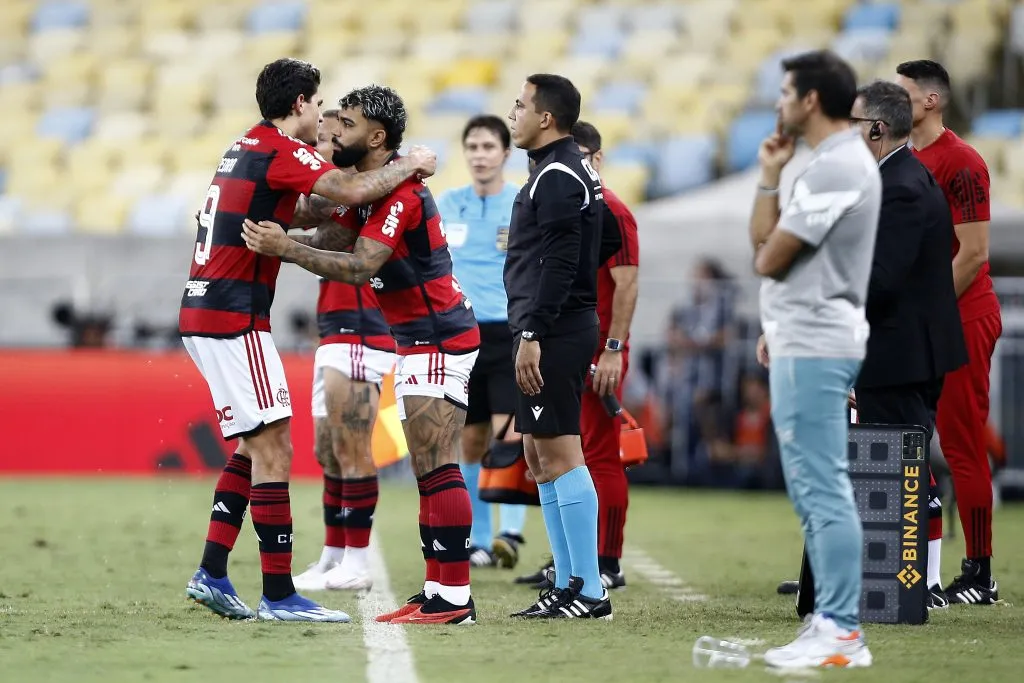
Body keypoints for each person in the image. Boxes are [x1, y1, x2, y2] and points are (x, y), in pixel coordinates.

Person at [179, 59, 435, 623]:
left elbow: (316, 211)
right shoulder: (280, 146)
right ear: (299, 103)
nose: (322, 115)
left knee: (254, 444)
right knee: (277, 447)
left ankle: (213, 571)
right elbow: (351, 187)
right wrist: (410, 165)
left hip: (205, 308)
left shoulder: (245, 145)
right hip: (232, 315)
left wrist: (313, 223)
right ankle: (278, 594)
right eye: (319, 104)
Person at [240, 84, 481, 626]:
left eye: (344, 124)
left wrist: (286, 249)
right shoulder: (375, 193)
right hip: (420, 339)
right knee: (428, 468)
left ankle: (455, 597)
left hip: (440, 338)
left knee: (438, 467)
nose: (334, 131)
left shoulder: (403, 196)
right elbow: (333, 233)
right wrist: (293, 227)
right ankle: (439, 591)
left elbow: (359, 265)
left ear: (376, 137)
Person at [751, 50, 879, 668]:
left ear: (810, 100)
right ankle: (832, 621)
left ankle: (843, 630)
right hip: (805, 335)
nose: (777, 103)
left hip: (817, 339)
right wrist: (770, 175)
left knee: (822, 486)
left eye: (784, 92)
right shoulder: (823, 163)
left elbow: (770, 258)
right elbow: (762, 244)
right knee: (813, 488)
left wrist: (774, 244)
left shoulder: (838, 167)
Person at [850, 81, 967, 608]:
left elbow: (881, 279)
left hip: (898, 354)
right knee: (907, 466)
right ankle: (913, 582)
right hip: (910, 349)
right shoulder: (907, 175)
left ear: (876, 128)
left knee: (901, 470)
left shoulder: (897, 185)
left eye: (853, 124)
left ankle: (906, 586)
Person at [504, 74, 612, 620]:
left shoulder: (559, 175)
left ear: (546, 118)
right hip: (555, 325)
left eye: (520, 105)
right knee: (539, 454)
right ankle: (569, 582)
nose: (513, 113)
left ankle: (590, 590)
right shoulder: (569, 170)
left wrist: (533, 332)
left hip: (554, 333)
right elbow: (605, 236)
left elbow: (566, 260)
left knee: (562, 454)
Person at [896, 59, 1002, 605]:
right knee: (909, 439)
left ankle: (980, 573)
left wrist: (924, 310)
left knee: (961, 445)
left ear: (932, 100)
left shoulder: (961, 162)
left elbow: (975, 252)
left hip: (961, 316)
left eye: (905, 92)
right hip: (930, 316)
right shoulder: (907, 159)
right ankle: (920, 568)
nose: (895, 100)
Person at [292, 110, 397, 592]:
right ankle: (334, 557)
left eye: (337, 132)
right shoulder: (333, 190)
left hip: (362, 326)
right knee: (327, 450)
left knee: (352, 448)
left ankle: (357, 561)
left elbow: (341, 244)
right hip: (333, 327)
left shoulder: (368, 190)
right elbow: (312, 226)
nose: (328, 139)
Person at [436, 115, 527, 570]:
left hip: (509, 332)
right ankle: (478, 539)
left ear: (506, 153)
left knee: (508, 434)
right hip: (463, 331)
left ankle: (511, 532)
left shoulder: (521, 202)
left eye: (489, 146)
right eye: (472, 146)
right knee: (469, 441)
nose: (479, 154)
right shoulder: (448, 203)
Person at [569, 119, 638, 588]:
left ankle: (607, 561)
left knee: (600, 454)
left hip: (599, 351)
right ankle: (576, 555)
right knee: (568, 455)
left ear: (595, 158)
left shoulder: (612, 210)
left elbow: (627, 283)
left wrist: (613, 349)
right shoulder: (574, 208)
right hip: (569, 346)